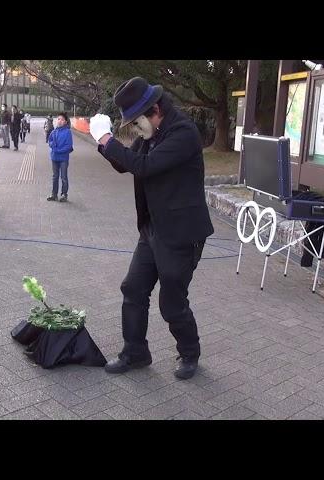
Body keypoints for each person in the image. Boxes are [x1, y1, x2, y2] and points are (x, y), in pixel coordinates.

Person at [90, 77, 213, 380]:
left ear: (155, 109)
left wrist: (108, 141)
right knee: (132, 288)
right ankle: (136, 352)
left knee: (171, 303)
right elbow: (126, 163)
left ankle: (189, 352)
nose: (134, 128)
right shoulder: (150, 134)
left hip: (181, 234)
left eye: (136, 121)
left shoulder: (183, 133)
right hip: (153, 229)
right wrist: (102, 140)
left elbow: (144, 167)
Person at [46, 112, 73, 202]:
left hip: (63, 158)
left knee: (64, 177)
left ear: (65, 122)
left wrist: (57, 150)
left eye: (62, 119)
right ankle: (54, 194)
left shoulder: (68, 132)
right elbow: (49, 141)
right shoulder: (54, 131)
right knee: (55, 176)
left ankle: (64, 194)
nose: (59, 121)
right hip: (54, 158)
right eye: (58, 119)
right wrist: (52, 144)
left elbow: (68, 146)